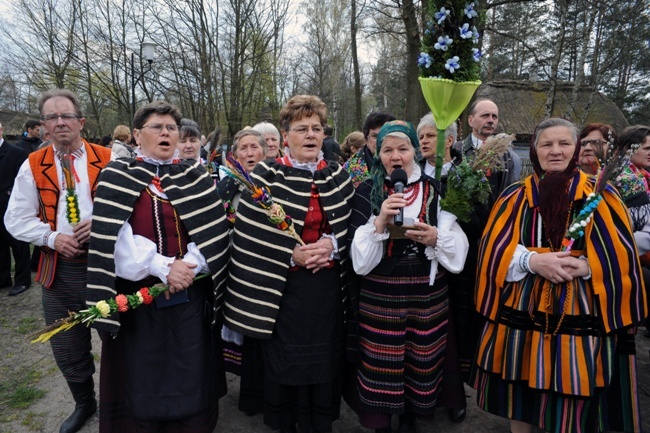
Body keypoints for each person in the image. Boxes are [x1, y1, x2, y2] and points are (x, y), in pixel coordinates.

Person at [473, 117, 647, 433]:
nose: (555, 151)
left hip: (579, 307)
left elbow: (622, 254)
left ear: (576, 148)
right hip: (523, 307)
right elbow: (492, 249)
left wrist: (589, 265)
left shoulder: (602, 194)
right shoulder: (514, 196)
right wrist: (531, 261)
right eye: (546, 144)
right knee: (521, 387)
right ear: (535, 151)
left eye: (564, 143)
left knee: (573, 385)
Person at [85, 101, 230, 433]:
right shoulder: (117, 175)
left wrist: (188, 266)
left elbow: (213, 230)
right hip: (139, 300)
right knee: (142, 371)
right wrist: (162, 266)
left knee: (189, 368)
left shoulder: (196, 175)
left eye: (171, 128)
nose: (166, 133)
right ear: (137, 135)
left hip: (189, 297)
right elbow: (112, 238)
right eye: (157, 127)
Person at [223, 94, 354, 433]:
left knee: (324, 360)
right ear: (285, 137)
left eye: (316, 128)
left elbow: (355, 227)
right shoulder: (265, 175)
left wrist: (331, 244)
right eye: (301, 129)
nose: (311, 135)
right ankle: (287, 422)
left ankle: (318, 422)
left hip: (326, 290)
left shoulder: (339, 177)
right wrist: (290, 253)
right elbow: (249, 236)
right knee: (286, 361)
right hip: (282, 291)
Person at [349, 120, 469, 433]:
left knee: (423, 358)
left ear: (414, 151)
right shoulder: (367, 191)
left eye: (403, 148)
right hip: (380, 293)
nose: (396, 156)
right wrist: (379, 223)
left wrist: (435, 239)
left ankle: (412, 418)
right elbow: (359, 262)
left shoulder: (435, 189)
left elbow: (457, 247)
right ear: (379, 154)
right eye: (388, 150)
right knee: (381, 361)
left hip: (427, 293)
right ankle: (382, 423)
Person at [4, 89, 113, 433]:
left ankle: (120, 402)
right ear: (44, 126)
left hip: (107, 267)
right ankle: (85, 404)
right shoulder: (33, 164)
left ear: (81, 122)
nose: (60, 122)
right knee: (67, 343)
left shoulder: (110, 157)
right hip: (59, 270)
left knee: (119, 338)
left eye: (66, 115)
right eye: (52, 117)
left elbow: (137, 206)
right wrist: (53, 238)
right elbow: (16, 218)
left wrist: (104, 222)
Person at [217, 128, 267, 415]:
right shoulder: (226, 188)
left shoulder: (277, 182)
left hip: (273, 274)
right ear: (234, 157)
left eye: (254, 147)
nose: (249, 153)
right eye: (243, 149)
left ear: (265, 151)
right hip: (240, 275)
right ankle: (251, 397)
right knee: (248, 338)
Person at [453, 98, 521, 199]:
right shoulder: (455, 150)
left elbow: (511, 195)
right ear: (470, 120)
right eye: (485, 115)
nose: (490, 120)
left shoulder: (509, 157)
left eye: (494, 116)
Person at [0, 122, 31, 296]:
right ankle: (3, 278)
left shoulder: (17, 153)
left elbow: (24, 181)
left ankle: (22, 280)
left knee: (18, 245)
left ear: (1, 130)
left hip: (10, 206)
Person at [344, 111, 396, 187]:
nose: (380, 140)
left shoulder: (406, 162)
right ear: (366, 140)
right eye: (375, 136)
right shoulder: (350, 168)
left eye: (386, 135)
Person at [418, 113, 459, 179]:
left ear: (449, 141)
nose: (424, 141)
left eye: (430, 136)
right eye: (421, 137)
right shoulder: (412, 174)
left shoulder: (465, 174)